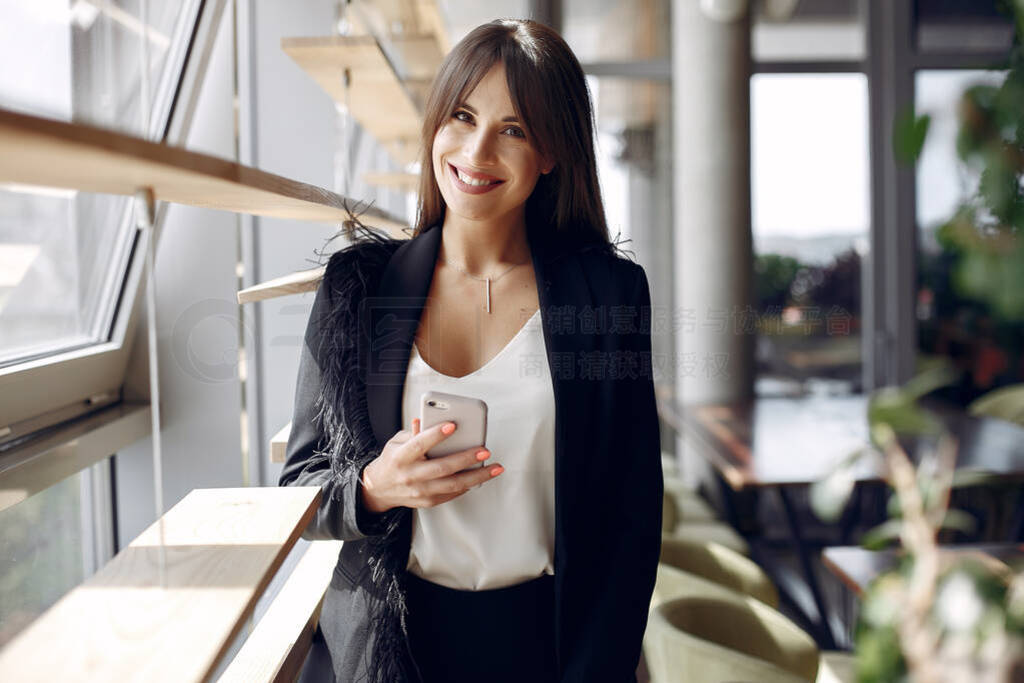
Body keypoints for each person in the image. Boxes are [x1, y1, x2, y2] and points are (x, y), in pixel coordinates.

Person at [279, 18, 663, 683]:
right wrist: (373, 488)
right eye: (462, 115)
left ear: (551, 153)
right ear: (436, 125)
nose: (477, 150)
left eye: (513, 129)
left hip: (550, 645)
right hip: (389, 648)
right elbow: (298, 488)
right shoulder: (357, 289)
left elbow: (631, 516)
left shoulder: (609, 294)